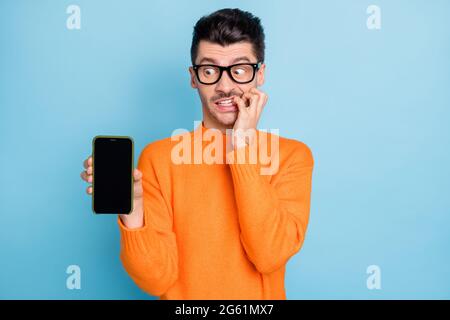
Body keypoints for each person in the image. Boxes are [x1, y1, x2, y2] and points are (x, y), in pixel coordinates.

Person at [80, 8, 314, 300]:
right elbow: (156, 280)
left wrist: (241, 147)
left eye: (239, 70)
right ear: (193, 77)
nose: (225, 86)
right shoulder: (158, 159)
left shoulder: (292, 156)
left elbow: (269, 255)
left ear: (260, 74)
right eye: (209, 71)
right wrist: (133, 210)